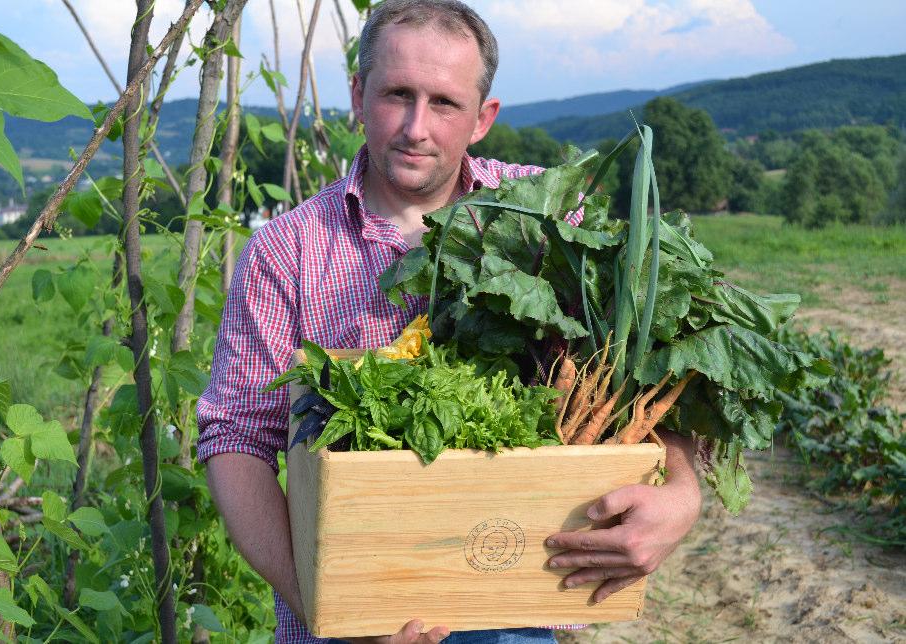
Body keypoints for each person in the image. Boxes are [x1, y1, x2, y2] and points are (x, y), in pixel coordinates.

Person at [197, 2, 702, 643]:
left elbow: (655, 359)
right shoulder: (286, 251)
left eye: (444, 103)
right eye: (396, 95)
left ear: (483, 118)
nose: (416, 127)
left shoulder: (549, 220)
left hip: (513, 603)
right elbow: (235, 438)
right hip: (348, 617)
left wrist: (682, 494)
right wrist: (331, 609)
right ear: (357, 94)